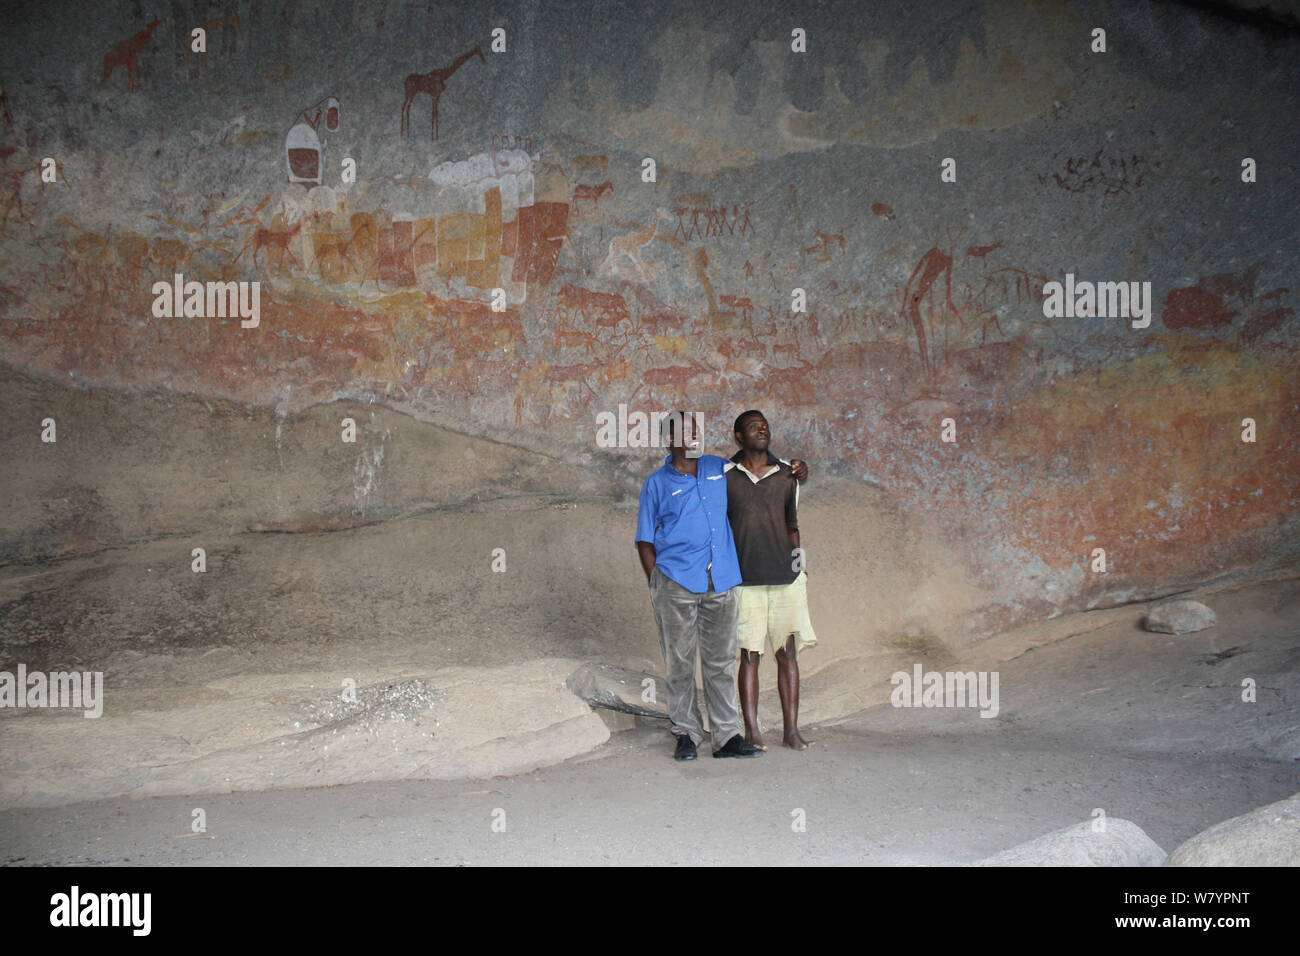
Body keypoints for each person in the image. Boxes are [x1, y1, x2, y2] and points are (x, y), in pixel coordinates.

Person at [634, 411, 806, 760]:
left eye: (697, 430)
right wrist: (656, 582)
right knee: (680, 663)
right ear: (671, 440)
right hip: (676, 582)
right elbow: (644, 539)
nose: (695, 436)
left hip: (721, 582)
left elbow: (763, 467)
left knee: (721, 662)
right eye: (686, 432)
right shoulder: (656, 483)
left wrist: (798, 468)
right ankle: (686, 733)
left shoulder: (719, 469)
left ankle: (727, 737)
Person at [727, 410, 817, 750]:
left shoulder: (786, 475)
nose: (761, 431)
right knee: (749, 655)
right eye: (753, 427)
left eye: (765, 426)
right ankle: (752, 730)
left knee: (787, 652)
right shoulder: (726, 476)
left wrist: (799, 565)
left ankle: (791, 731)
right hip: (744, 579)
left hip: (785, 577)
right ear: (739, 436)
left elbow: (792, 525)